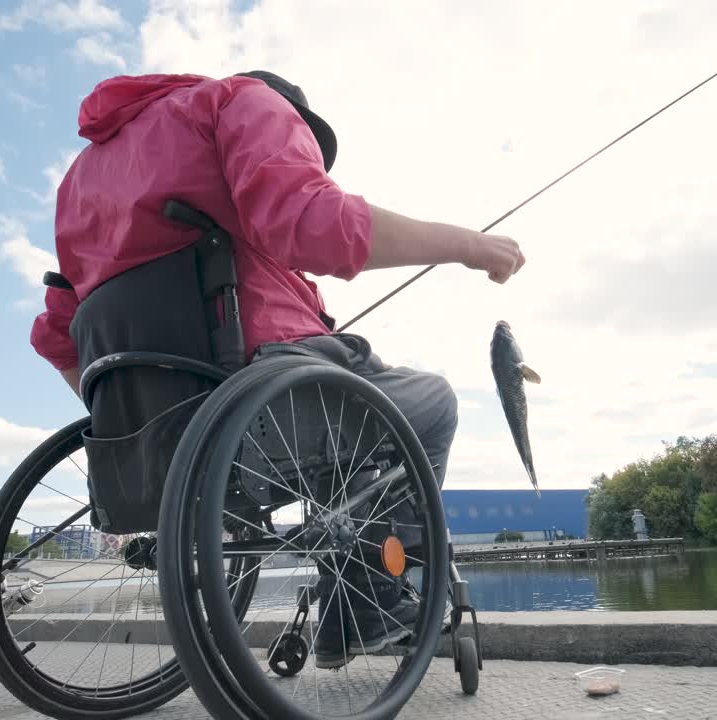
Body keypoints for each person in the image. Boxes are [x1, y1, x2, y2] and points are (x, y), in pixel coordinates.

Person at [29, 70, 526, 669]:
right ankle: (372, 601)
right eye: (305, 149)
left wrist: (135, 405)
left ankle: (356, 602)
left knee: (338, 427)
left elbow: (62, 334)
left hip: (150, 429)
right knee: (432, 401)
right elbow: (313, 224)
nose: (306, 159)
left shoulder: (82, 179)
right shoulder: (239, 102)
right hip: (260, 387)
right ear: (291, 117)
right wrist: (470, 246)